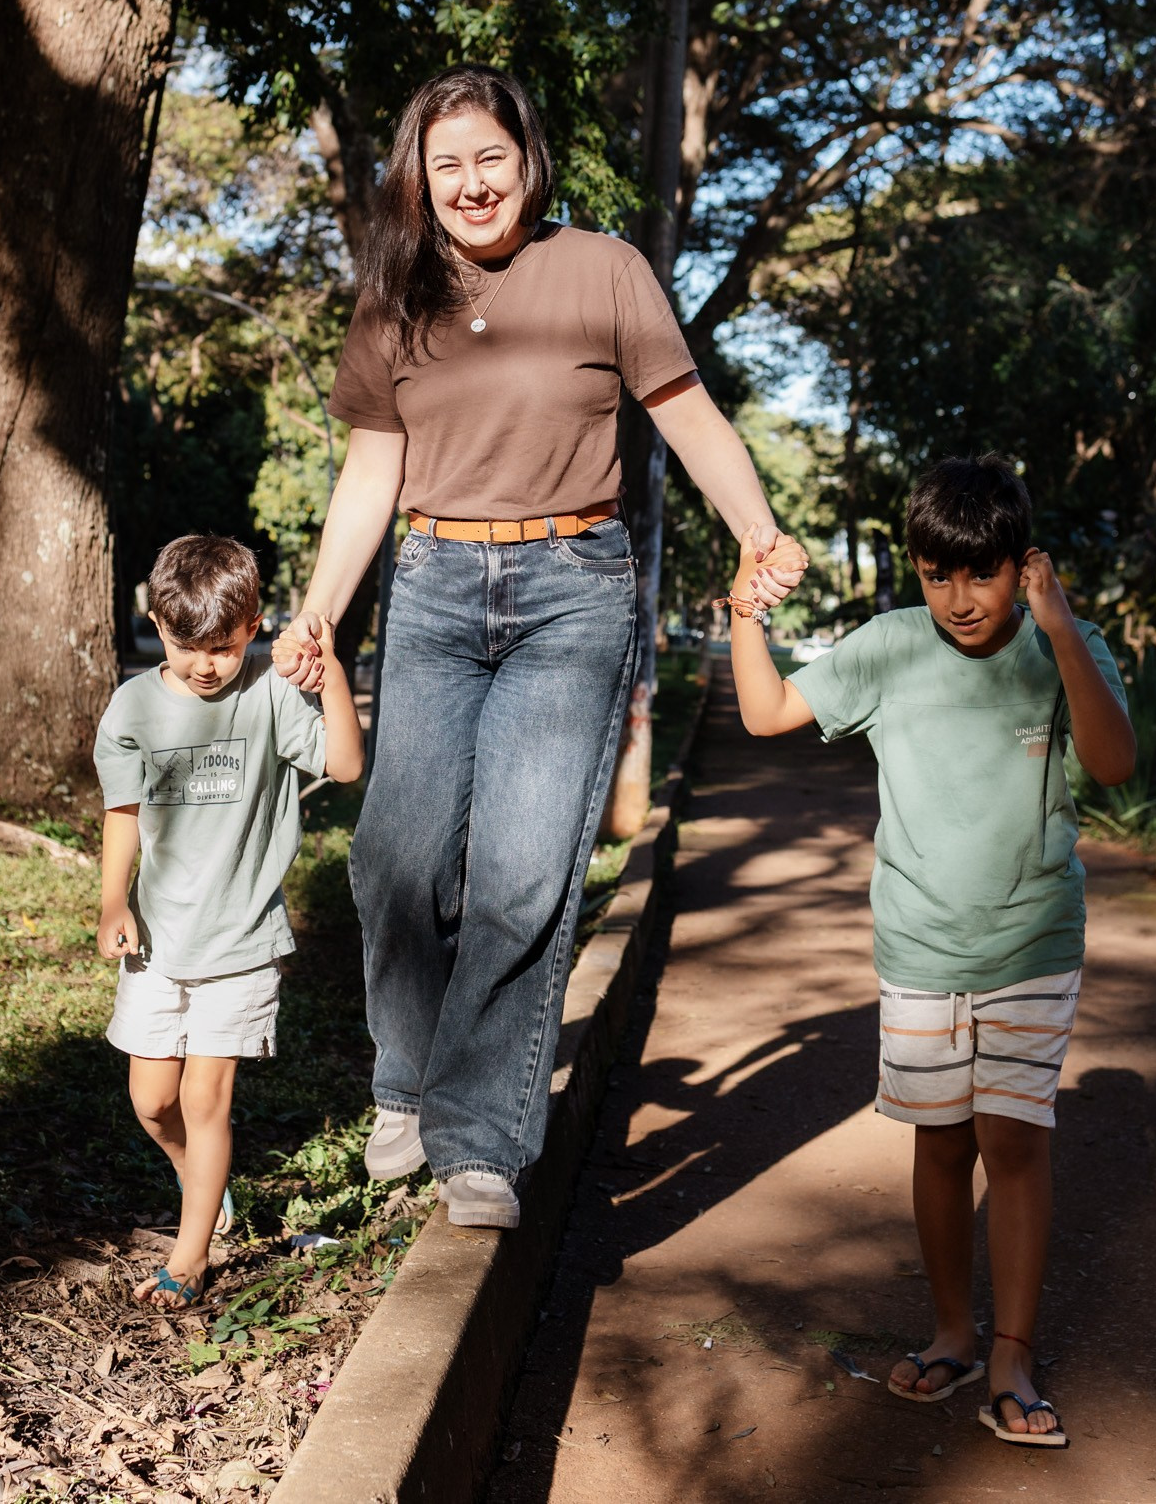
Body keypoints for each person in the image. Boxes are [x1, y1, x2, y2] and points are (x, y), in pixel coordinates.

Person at [270, 63, 807, 1230]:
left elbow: (683, 410)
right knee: (393, 862)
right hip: (433, 588)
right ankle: (405, 1084)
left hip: (573, 590)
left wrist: (759, 532)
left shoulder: (603, 268)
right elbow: (372, 468)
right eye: (444, 163)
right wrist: (317, 609)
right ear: (418, 176)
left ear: (528, 159)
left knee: (521, 874)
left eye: (489, 159)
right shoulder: (393, 295)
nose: (469, 184)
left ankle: (481, 1143)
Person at [723, 456, 1136, 1448]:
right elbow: (767, 712)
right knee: (940, 1141)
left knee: (1013, 1141)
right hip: (916, 948)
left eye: (980, 574)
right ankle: (953, 1330)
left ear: (1021, 565)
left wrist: (1060, 627)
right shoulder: (888, 649)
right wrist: (744, 616)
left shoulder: (1058, 648)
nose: (957, 599)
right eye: (934, 575)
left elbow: (1115, 763)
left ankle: (1012, 1352)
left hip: (1031, 940)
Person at [93, 535, 365, 1307]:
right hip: (158, 941)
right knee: (152, 1101)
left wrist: (330, 673)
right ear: (155, 624)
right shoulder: (134, 707)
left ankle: (191, 1255)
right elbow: (121, 811)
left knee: (206, 1101)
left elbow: (345, 765)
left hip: (243, 940)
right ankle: (203, 1190)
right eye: (186, 646)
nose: (205, 664)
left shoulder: (271, 694)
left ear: (252, 625)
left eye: (222, 645)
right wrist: (114, 900)